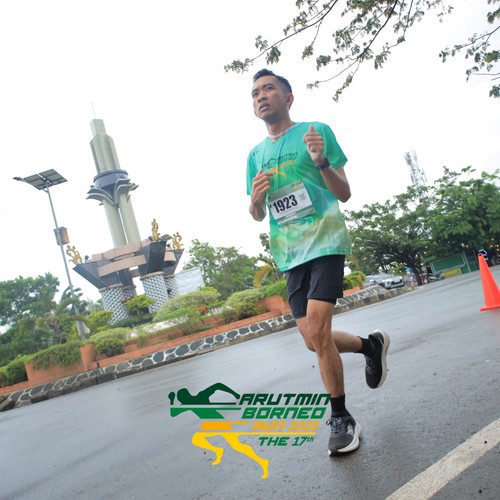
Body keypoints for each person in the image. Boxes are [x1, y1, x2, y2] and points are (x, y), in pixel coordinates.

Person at [246, 68, 390, 456]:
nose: (261, 96)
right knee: (314, 340)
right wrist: (255, 200)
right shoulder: (255, 156)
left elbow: (344, 193)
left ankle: (341, 418)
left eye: (269, 88)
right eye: (255, 93)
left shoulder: (316, 131)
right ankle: (370, 346)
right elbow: (257, 215)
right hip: (289, 254)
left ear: (288, 97)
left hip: (325, 240)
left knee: (318, 328)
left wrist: (322, 161)